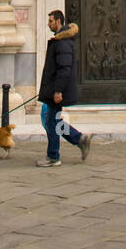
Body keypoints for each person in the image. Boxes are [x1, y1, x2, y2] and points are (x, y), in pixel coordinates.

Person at [36, 10, 92, 167]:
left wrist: (58, 91)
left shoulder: (63, 42)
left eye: (51, 21)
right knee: (53, 122)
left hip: (56, 91)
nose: (48, 24)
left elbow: (64, 68)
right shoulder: (60, 40)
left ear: (59, 21)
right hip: (53, 88)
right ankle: (79, 139)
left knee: (51, 123)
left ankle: (53, 156)